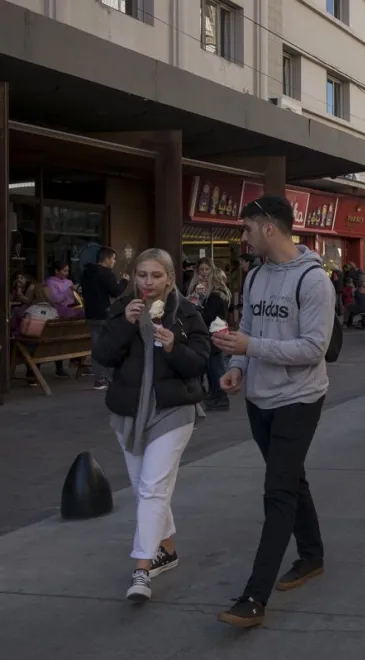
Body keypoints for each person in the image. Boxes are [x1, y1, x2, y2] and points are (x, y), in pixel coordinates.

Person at [214, 195, 336, 628]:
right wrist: (237, 364)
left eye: (247, 228)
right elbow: (248, 328)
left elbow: (313, 349)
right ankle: (312, 554)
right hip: (259, 399)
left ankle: (254, 597)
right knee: (291, 478)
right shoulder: (255, 276)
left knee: (278, 491)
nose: (244, 237)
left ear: (268, 228)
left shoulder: (314, 281)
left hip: (300, 399)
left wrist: (252, 348)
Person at [92, 248, 210, 602]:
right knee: (144, 488)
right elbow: (103, 357)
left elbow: (200, 364)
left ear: (170, 278)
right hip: (129, 412)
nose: (148, 282)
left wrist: (174, 347)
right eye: (142, 275)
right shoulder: (121, 309)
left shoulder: (186, 313)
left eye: (156, 275)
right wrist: (125, 326)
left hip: (173, 410)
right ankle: (167, 550)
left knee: (152, 487)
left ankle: (141, 569)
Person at [81, 246, 130, 390]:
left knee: (97, 345)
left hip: (90, 313)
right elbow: (116, 291)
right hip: (104, 313)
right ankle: (107, 377)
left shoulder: (86, 273)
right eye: (113, 259)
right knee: (108, 346)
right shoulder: (106, 274)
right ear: (107, 258)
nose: (114, 262)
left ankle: (100, 379)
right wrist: (124, 281)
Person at [201, 269, 232, 411]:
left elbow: (207, 315)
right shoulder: (225, 294)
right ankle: (216, 394)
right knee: (215, 364)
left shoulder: (215, 296)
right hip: (220, 331)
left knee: (214, 367)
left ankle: (220, 396)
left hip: (212, 332)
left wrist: (199, 309)